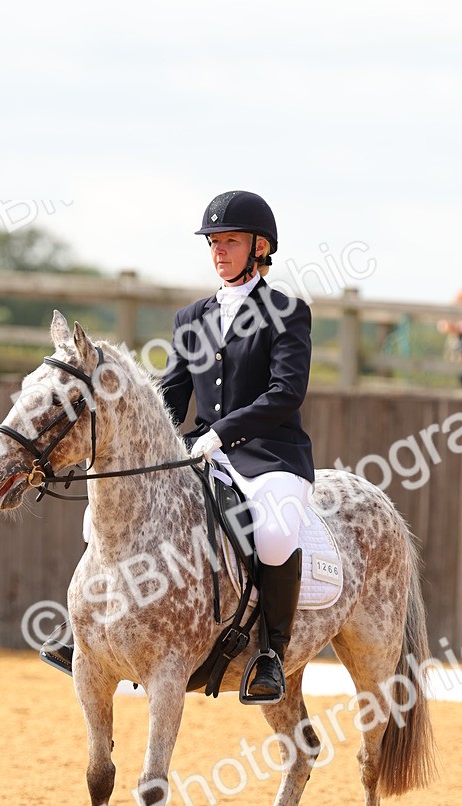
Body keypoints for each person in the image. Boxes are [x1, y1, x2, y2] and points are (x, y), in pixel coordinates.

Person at [158, 189, 315, 703]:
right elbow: (172, 394)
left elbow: (285, 392)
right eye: (213, 242)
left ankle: (270, 652)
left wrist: (221, 433)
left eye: (229, 241)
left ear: (260, 246)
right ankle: (95, 629)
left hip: (271, 453)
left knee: (271, 536)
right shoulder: (191, 318)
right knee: (120, 511)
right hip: (204, 450)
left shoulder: (288, 312)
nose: (218, 251)